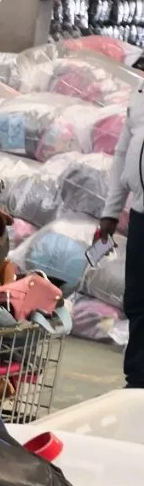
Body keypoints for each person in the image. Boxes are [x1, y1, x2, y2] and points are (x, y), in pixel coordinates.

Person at [98, 83, 144, 387]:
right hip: (141, 214)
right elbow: (123, 152)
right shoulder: (139, 95)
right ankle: (137, 380)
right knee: (138, 301)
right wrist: (111, 211)